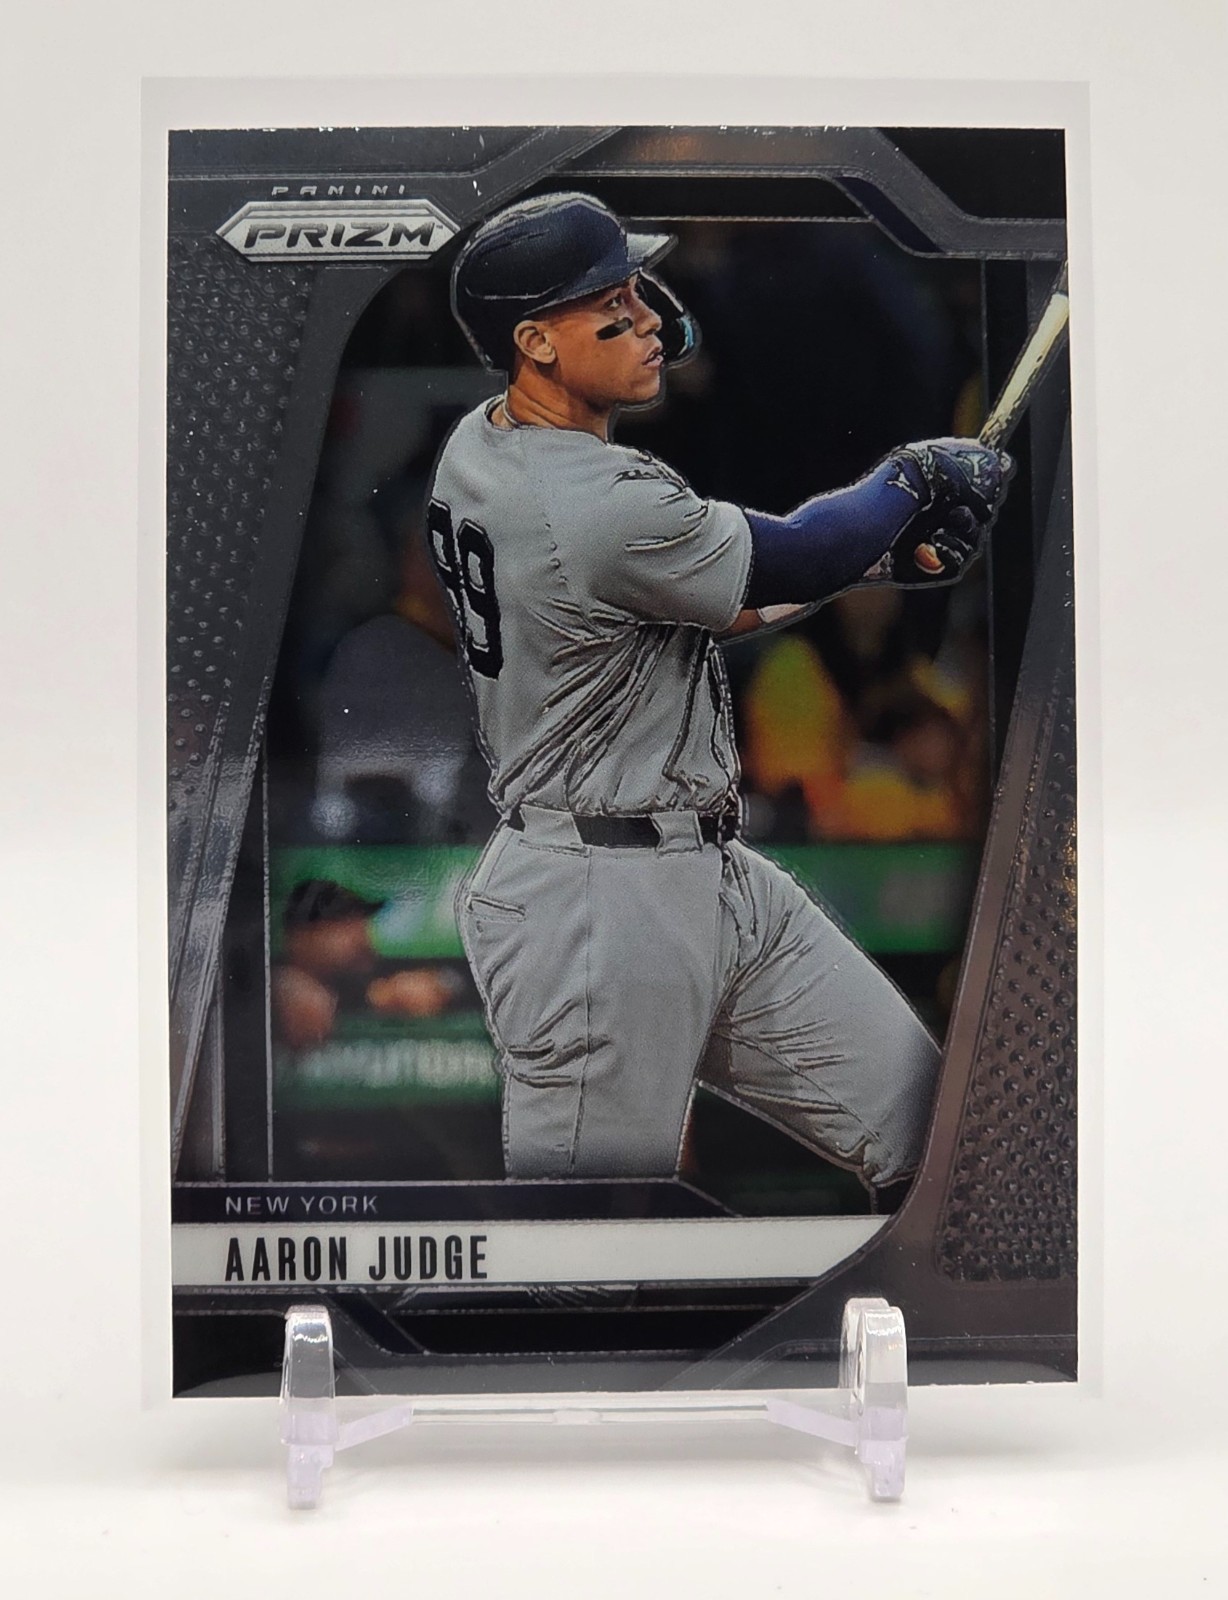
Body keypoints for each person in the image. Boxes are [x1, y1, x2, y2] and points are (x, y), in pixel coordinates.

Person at [426, 192, 1011, 1190]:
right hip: (594, 907)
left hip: (705, 875)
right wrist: (908, 481)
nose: (649, 316)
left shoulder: (483, 446)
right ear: (536, 342)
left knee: (937, 1139)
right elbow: (788, 555)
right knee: (588, 1246)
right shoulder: (583, 500)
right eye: (610, 304)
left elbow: (715, 595)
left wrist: (878, 561)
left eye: (636, 290)